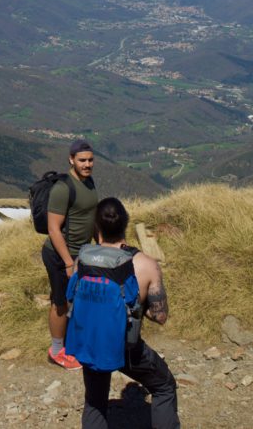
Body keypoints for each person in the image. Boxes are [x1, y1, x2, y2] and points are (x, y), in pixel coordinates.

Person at [66, 197, 179, 429]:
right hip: (126, 346)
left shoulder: (83, 260)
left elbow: (72, 298)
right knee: (164, 386)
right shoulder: (145, 264)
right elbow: (160, 316)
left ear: (96, 228)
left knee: (95, 400)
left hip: (92, 343)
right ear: (125, 224)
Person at [42, 139, 99, 369]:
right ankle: (56, 351)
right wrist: (67, 262)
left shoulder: (89, 182)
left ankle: (71, 343)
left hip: (81, 254)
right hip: (60, 256)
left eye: (90, 160)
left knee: (77, 299)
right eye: (82, 160)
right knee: (60, 302)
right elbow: (53, 228)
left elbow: (90, 216)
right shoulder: (63, 188)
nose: (87, 164)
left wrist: (102, 243)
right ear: (71, 160)